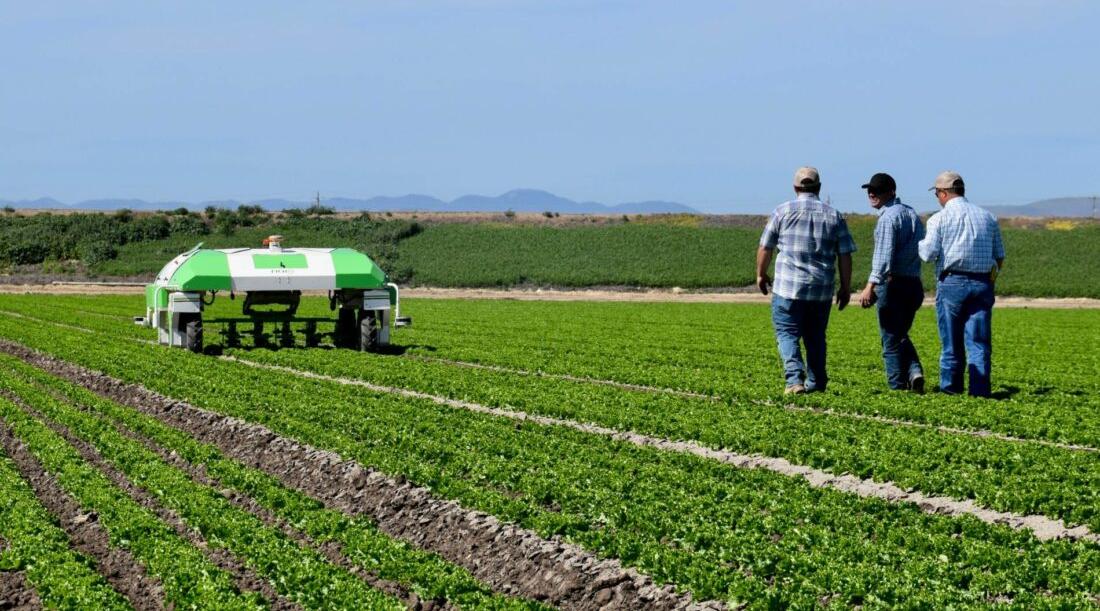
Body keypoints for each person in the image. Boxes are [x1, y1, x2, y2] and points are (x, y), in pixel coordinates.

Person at [757, 166, 856, 395]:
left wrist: (761, 274)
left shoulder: (782, 212)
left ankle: (794, 380)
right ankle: (817, 381)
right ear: (819, 187)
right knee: (816, 336)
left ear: (795, 187)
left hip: (788, 288)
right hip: (821, 290)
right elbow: (845, 254)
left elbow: (766, 247)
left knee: (787, 332)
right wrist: (846, 287)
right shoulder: (834, 215)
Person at [918, 171, 1005, 397]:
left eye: (937, 193)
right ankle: (980, 393)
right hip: (982, 282)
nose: (938, 198)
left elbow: (928, 254)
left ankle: (951, 392)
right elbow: (1000, 257)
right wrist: (989, 280)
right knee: (979, 344)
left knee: (951, 344)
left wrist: (920, 244)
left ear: (944, 193)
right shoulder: (988, 217)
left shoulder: (939, 218)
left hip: (952, 283)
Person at [857, 173, 927, 392]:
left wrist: (870, 286)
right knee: (899, 334)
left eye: (877, 190)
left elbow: (883, 257)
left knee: (890, 340)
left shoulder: (888, 218)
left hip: (893, 284)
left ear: (891, 192)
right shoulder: (911, 213)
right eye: (870, 190)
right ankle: (914, 372)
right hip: (913, 284)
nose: (871, 194)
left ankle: (897, 388)